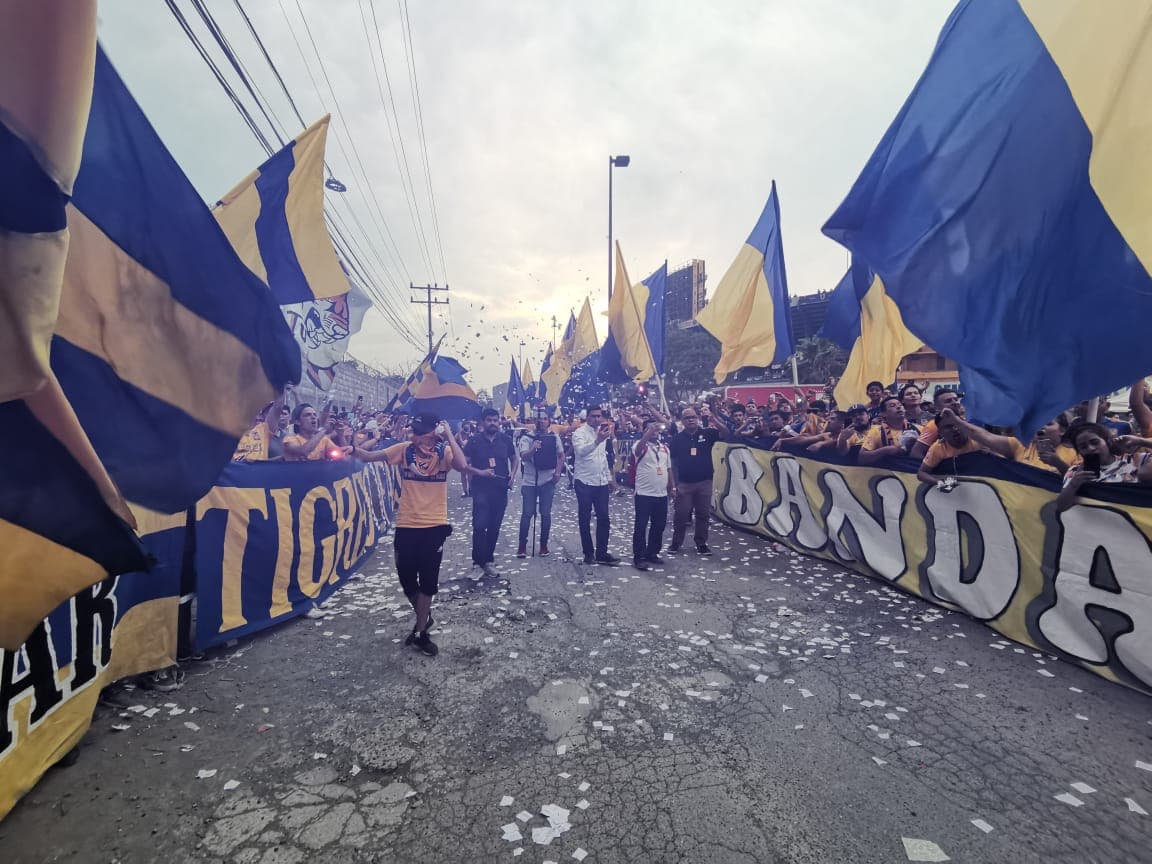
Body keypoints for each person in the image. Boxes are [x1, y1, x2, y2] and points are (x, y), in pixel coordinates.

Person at [356, 412, 466, 656]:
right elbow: (368, 456)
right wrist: (354, 445)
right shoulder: (404, 450)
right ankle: (424, 616)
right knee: (406, 578)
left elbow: (462, 465)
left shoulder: (443, 452)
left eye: (421, 433)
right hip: (407, 524)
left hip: (435, 524)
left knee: (428, 581)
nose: (416, 437)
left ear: (431, 433)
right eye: (414, 432)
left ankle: (420, 633)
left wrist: (448, 434)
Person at [934, 409, 1078, 474]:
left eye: (1048, 423)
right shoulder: (1019, 445)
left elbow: (1083, 487)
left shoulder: (1077, 454)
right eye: (1036, 423)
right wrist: (956, 421)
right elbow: (984, 436)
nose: (1040, 427)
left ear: (1062, 429)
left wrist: (1058, 463)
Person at [463, 408, 519, 577]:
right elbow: (464, 465)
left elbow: (515, 458)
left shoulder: (505, 440)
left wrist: (513, 476)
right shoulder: (474, 441)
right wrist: (480, 472)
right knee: (480, 526)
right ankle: (477, 563)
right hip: (480, 488)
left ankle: (488, 561)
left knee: (494, 526)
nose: (493, 423)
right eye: (489, 420)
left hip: (500, 488)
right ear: (483, 422)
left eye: (495, 420)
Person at [668, 404, 726, 554]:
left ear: (698, 418)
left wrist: (715, 419)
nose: (691, 420)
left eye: (693, 417)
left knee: (703, 515)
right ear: (682, 421)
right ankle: (676, 543)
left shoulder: (708, 433)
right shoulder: (676, 439)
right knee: (681, 516)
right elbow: (672, 463)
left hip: (705, 482)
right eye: (687, 418)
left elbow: (726, 433)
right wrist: (674, 485)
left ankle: (701, 543)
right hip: (685, 484)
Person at [1056, 422, 1152, 511]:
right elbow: (1061, 507)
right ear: (1079, 452)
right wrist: (1073, 485)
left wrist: (1141, 441)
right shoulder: (1075, 472)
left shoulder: (1136, 460)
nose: (1091, 448)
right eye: (1083, 447)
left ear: (1108, 441)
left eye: (1095, 442)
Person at [571, 404, 621, 565]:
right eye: (593, 416)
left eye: (599, 416)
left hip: (600, 482)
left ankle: (602, 552)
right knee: (585, 518)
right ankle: (588, 553)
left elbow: (603, 458)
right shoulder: (579, 433)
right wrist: (597, 440)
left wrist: (609, 478)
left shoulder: (603, 433)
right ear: (587, 417)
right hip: (584, 481)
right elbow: (581, 452)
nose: (597, 419)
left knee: (604, 518)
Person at [516, 406, 564, 557]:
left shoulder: (554, 437)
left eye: (544, 419)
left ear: (549, 421)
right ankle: (522, 546)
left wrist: (557, 472)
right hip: (530, 481)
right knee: (527, 513)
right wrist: (533, 449)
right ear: (534, 421)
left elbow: (561, 455)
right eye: (539, 419)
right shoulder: (526, 437)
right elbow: (523, 457)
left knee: (545, 513)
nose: (541, 421)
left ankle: (544, 545)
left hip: (548, 481)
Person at [631, 418, 674, 570]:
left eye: (656, 429)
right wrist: (648, 432)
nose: (655, 432)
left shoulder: (665, 448)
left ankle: (652, 553)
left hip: (661, 494)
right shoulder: (640, 445)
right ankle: (639, 557)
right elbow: (638, 450)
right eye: (650, 429)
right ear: (644, 431)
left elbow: (668, 469)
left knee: (659, 525)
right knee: (641, 526)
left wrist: (672, 487)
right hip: (644, 493)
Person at [915, 410, 988, 485]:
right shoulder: (938, 448)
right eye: (948, 427)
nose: (955, 429)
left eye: (957, 424)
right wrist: (939, 483)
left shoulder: (980, 438)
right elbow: (921, 474)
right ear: (940, 432)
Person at [859, 396, 920, 465]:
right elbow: (862, 458)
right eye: (892, 406)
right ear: (883, 414)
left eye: (900, 405)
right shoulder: (876, 431)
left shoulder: (919, 429)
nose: (898, 407)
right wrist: (885, 450)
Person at [283, 402, 351, 461]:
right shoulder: (289, 439)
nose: (313, 417)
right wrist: (324, 430)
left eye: (314, 414)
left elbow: (345, 457)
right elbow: (303, 451)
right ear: (297, 422)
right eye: (308, 415)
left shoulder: (323, 440)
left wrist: (341, 435)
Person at [910, 387, 965, 459]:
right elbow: (916, 453)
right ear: (937, 407)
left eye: (956, 399)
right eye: (948, 401)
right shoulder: (933, 425)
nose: (954, 403)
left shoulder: (970, 419)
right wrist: (936, 465)